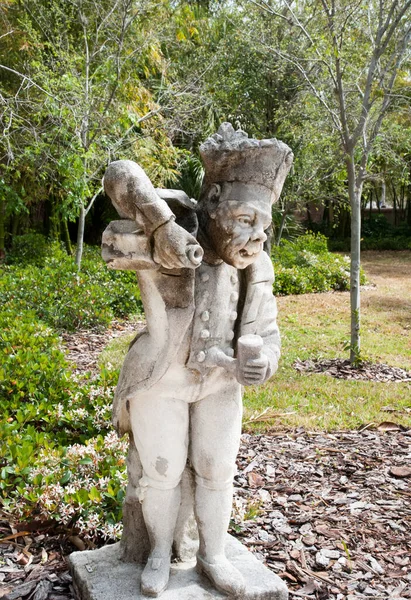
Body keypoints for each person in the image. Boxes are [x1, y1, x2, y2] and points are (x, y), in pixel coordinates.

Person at [102, 123, 293, 597]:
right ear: (212, 203)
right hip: (160, 377)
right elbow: (119, 175)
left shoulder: (258, 266)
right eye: (245, 218)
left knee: (216, 466)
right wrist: (162, 227)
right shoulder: (174, 230)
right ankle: (160, 553)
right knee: (163, 469)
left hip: (221, 382)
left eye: (263, 225)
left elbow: (265, 334)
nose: (255, 236)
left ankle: (213, 554)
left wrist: (261, 361)